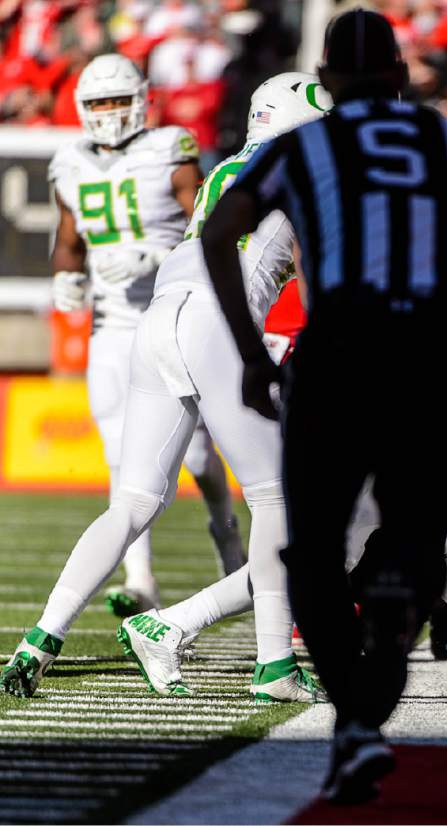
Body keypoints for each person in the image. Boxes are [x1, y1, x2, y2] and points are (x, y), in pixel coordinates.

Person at [199, 9, 447, 804]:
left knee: (317, 556)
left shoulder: (308, 143)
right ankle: (367, 718)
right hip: (435, 362)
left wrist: (243, 349)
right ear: (401, 80)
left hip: (339, 355)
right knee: (408, 557)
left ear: (329, 81)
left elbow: (219, 229)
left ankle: (356, 724)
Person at [0, 72, 328, 704]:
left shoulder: (226, 167)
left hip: (157, 318)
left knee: (133, 502)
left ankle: (39, 638)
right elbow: (316, 282)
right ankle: (275, 666)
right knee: (275, 499)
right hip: (214, 324)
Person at [46, 52, 244, 618]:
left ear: (141, 100)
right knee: (119, 453)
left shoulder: (170, 149)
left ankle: (225, 533)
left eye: (117, 100)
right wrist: (65, 277)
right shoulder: (68, 164)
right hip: (110, 326)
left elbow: (209, 220)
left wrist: (157, 252)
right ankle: (142, 578)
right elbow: (68, 241)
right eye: (98, 103)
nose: (109, 113)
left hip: (172, 310)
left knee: (203, 454)